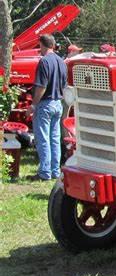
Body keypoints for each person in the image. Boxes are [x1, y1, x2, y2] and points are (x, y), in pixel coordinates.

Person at [27, 34, 67, 181]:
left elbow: (41, 86)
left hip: (45, 103)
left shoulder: (44, 62)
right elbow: (64, 84)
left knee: (43, 138)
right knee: (55, 138)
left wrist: (33, 105)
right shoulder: (61, 61)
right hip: (58, 103)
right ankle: (55, 171)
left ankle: (44, 172)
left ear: (42, 45)